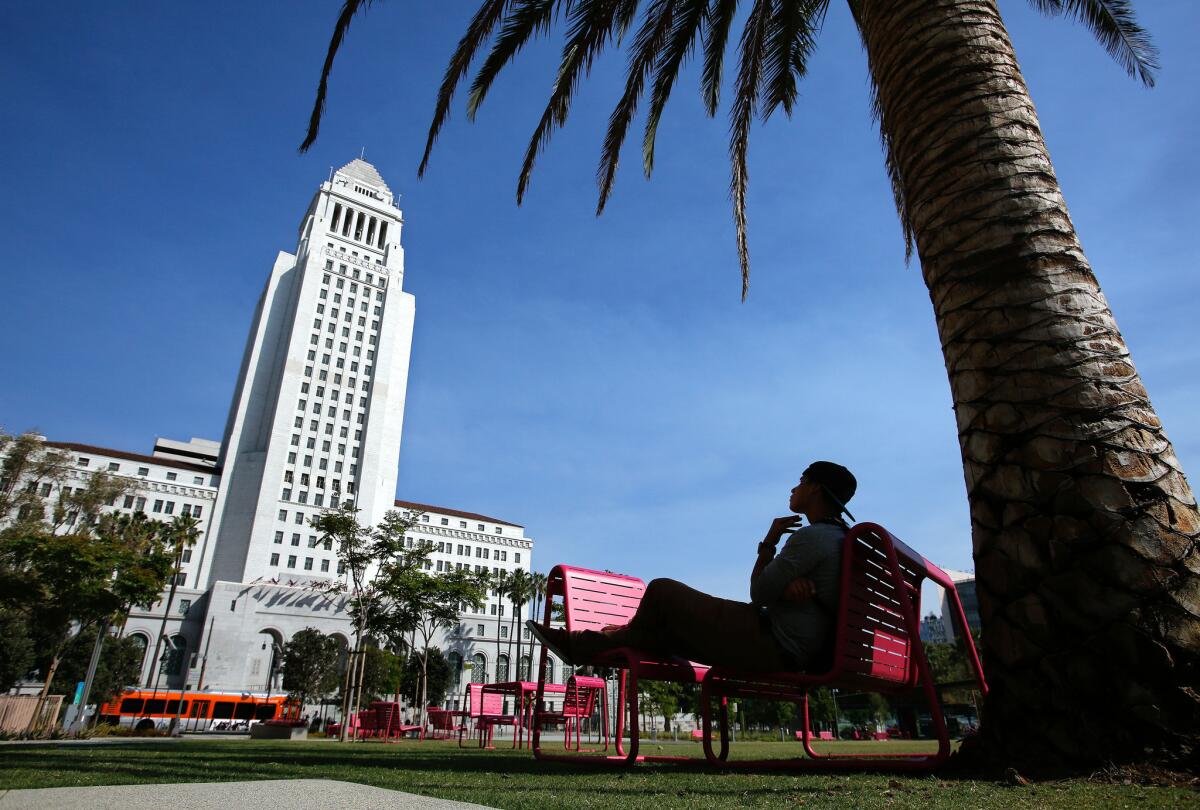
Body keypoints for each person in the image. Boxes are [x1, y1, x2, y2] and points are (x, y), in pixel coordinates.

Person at [527, 461, 857, 672]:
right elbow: (775, 593)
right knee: (660, 632)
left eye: (800, 481)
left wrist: (769, 542)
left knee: (662, 590)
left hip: (776, 644)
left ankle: (586, 643)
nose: (793, 487)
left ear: (814, 488)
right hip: (796, 646)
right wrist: (784, 589)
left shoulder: (813, 539)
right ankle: (583, 644)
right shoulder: (841, 539)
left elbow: (758, 593)